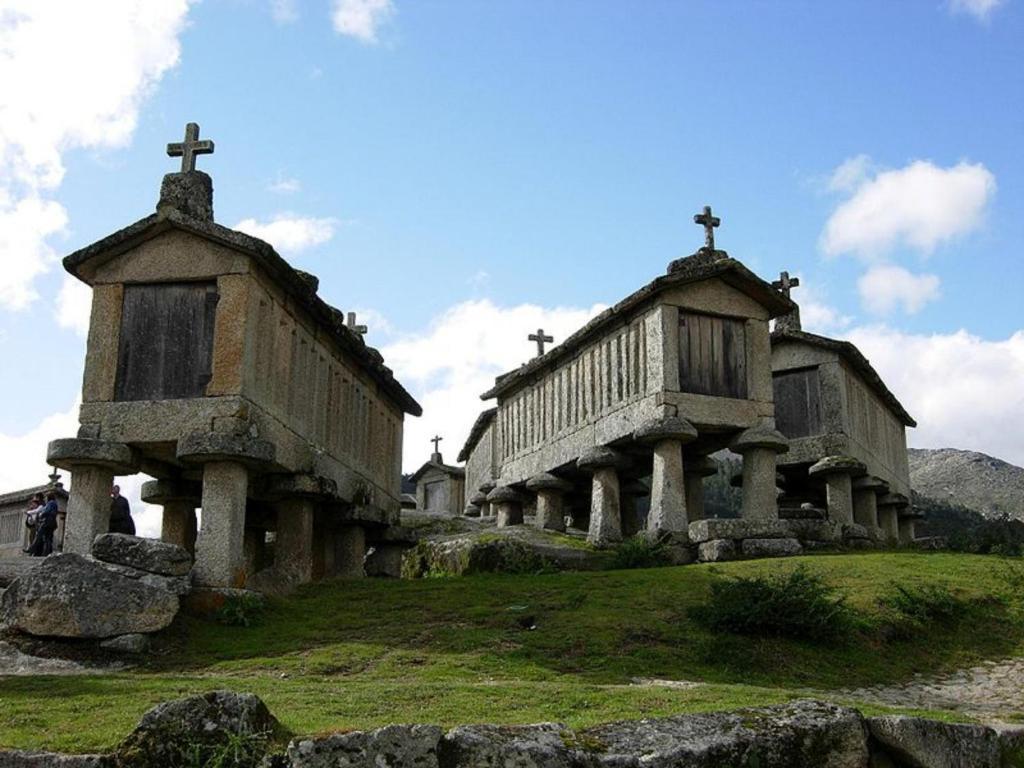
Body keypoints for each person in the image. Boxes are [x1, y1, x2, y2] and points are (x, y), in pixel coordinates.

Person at [28, 492, 59, 557]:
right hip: (51, 523)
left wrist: (41, 514)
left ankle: (31, 549)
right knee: (47, 539)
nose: (45, 498)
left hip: (47, 523)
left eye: (46, 497)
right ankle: (46, 553)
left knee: (39, 536)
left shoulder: (51, 503)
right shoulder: (54, 503)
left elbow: (46, 511)